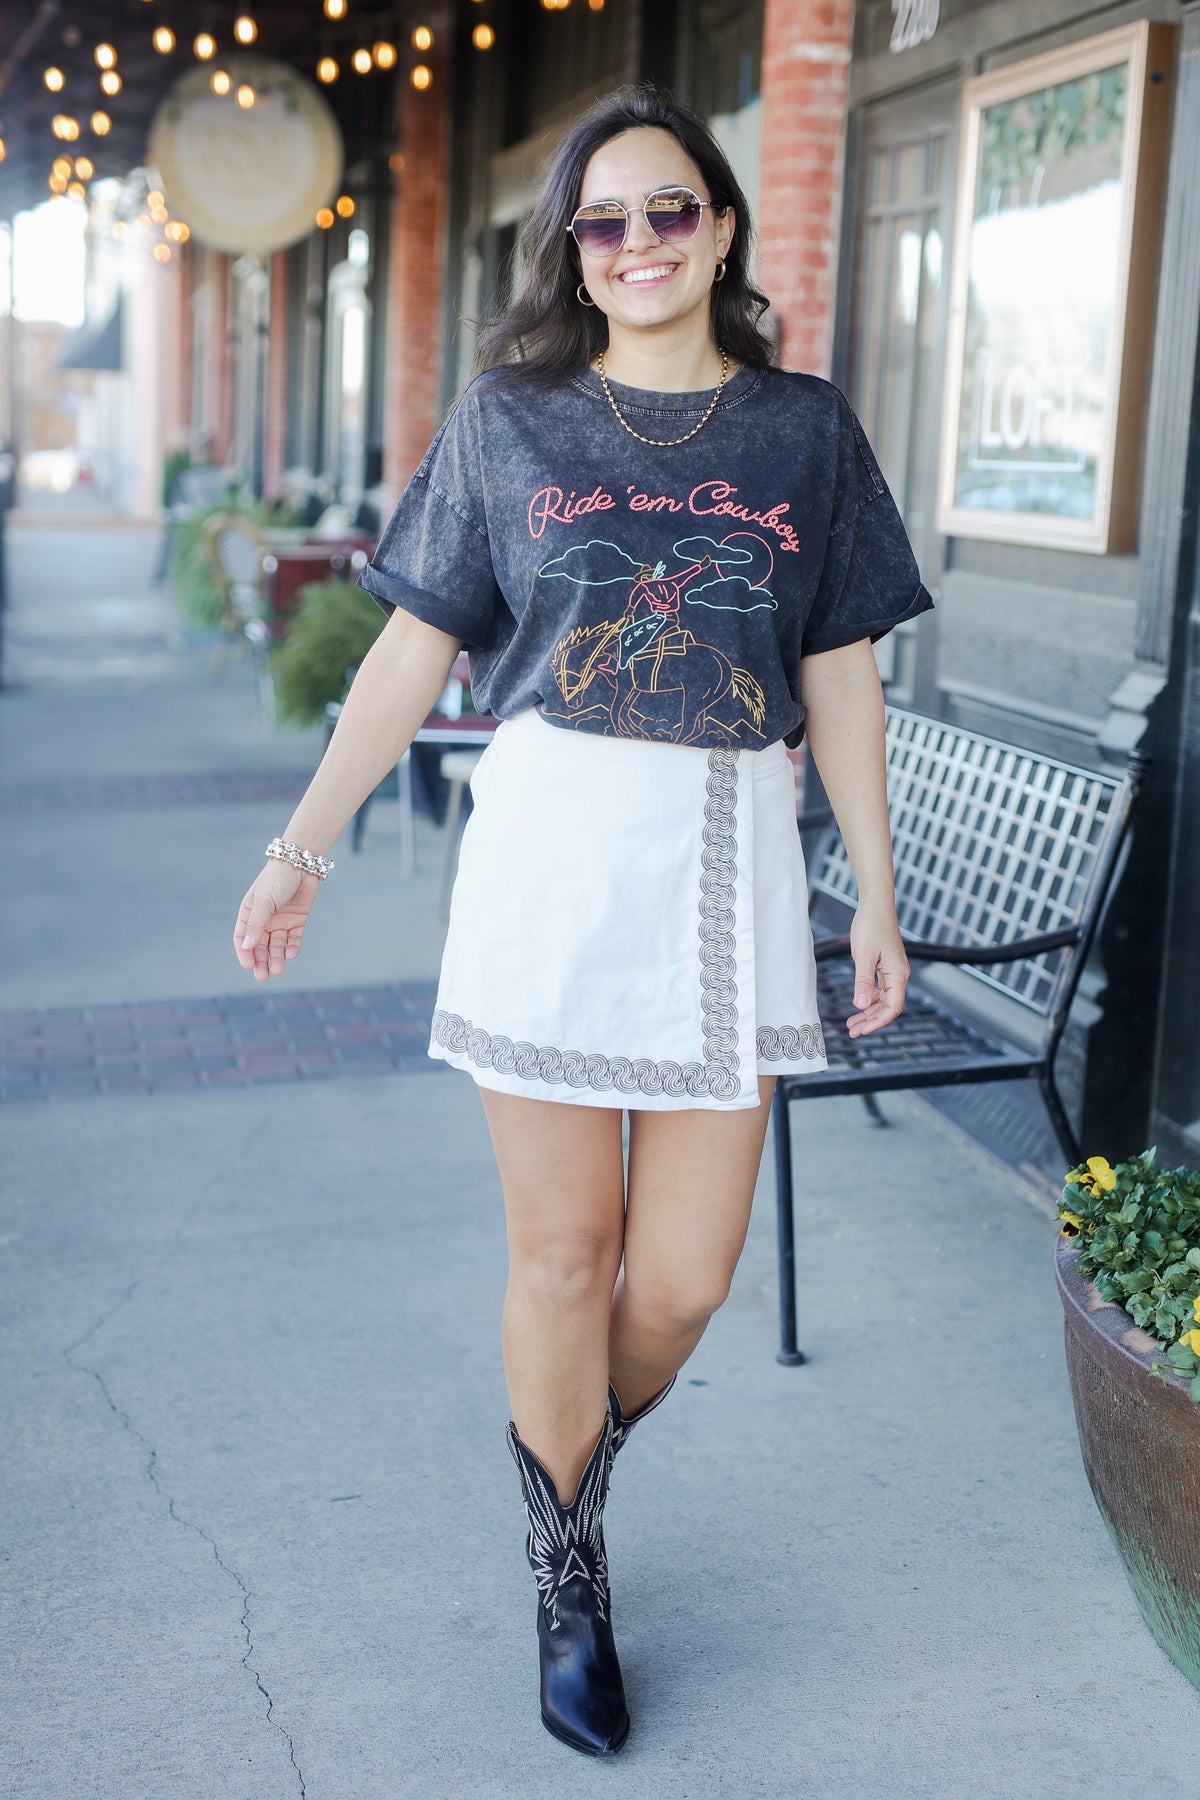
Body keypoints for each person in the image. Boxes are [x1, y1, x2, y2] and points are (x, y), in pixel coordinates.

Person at [232, 83, 934, 1759]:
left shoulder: (803, 429)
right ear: (570, 246)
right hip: (552, 857)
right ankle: (569, 1573)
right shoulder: (510, 420)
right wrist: (301, 848)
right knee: (563, 1256)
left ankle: (559, 1466)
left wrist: (877, 896)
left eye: (669, 211)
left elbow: (838, 669)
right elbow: (412, 650)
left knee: (681, 1280)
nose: (637, 245)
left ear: (724, 225)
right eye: (603, 221)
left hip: (728, 868)